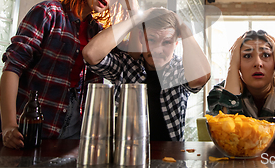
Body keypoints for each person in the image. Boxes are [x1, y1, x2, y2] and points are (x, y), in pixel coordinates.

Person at [0, 0, 134, 149]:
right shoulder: (48, 13)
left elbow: (137, 53)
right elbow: (13, 67)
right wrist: (9, 126)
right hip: (31, 128)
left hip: (74, 134)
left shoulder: (98, 34)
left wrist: (132, 8)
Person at [83, 7, 211, 141]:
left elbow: (200, 78)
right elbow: (91, 54)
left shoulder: (179, 69)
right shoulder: (126, 65)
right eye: (151, 40)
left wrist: (184, 28)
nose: (157, 50)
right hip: (127, 154)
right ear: (141, 38)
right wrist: (136, 19)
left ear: (176, 43)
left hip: (171, 157)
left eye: (167, 42)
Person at [207, 30, 275, 142]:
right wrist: (232, 67)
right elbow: (225, 135)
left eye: (266, 55)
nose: (258, 63)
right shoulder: (219, 94)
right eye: (247, 56)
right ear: (238, 62)